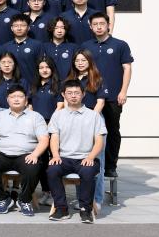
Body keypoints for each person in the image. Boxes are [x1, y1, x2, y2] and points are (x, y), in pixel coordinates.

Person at [0, 85, 49, 217]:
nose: (16, 99)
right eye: (13, 97)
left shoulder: (36, 117)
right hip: (2, 154)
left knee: (33, 167)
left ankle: (24, 200)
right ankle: (3, 198)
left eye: (20, 96)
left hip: (26, 154)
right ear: (8, 100)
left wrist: (35, 154)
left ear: (26, 99)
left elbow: (44, 139)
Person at [46, 80, 108, 224]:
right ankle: (61, 209)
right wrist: (55, 155)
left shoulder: (94, 116)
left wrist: (91, 157)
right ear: (63, 95)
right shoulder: (58, 115)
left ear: (83, 94)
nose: (73, 96)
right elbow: (54, 138)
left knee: (88, 172)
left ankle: (85, 209)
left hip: (86, 157)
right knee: (52, 170)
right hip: (64, 157)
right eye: (69, 93)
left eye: (76, 93)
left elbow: (100, 141)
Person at [81, 13, 131, 179]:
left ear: (108, 25)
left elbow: (127, 68)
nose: (99, 27)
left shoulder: (120, 45)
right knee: (88, 130)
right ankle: (88, 161)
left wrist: (123, 91)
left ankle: (110, 166)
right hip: (91, 96)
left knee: (112, 130)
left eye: (102, 23)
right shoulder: (86, 45)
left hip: (113, 96)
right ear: (90, 27)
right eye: (95, 24)